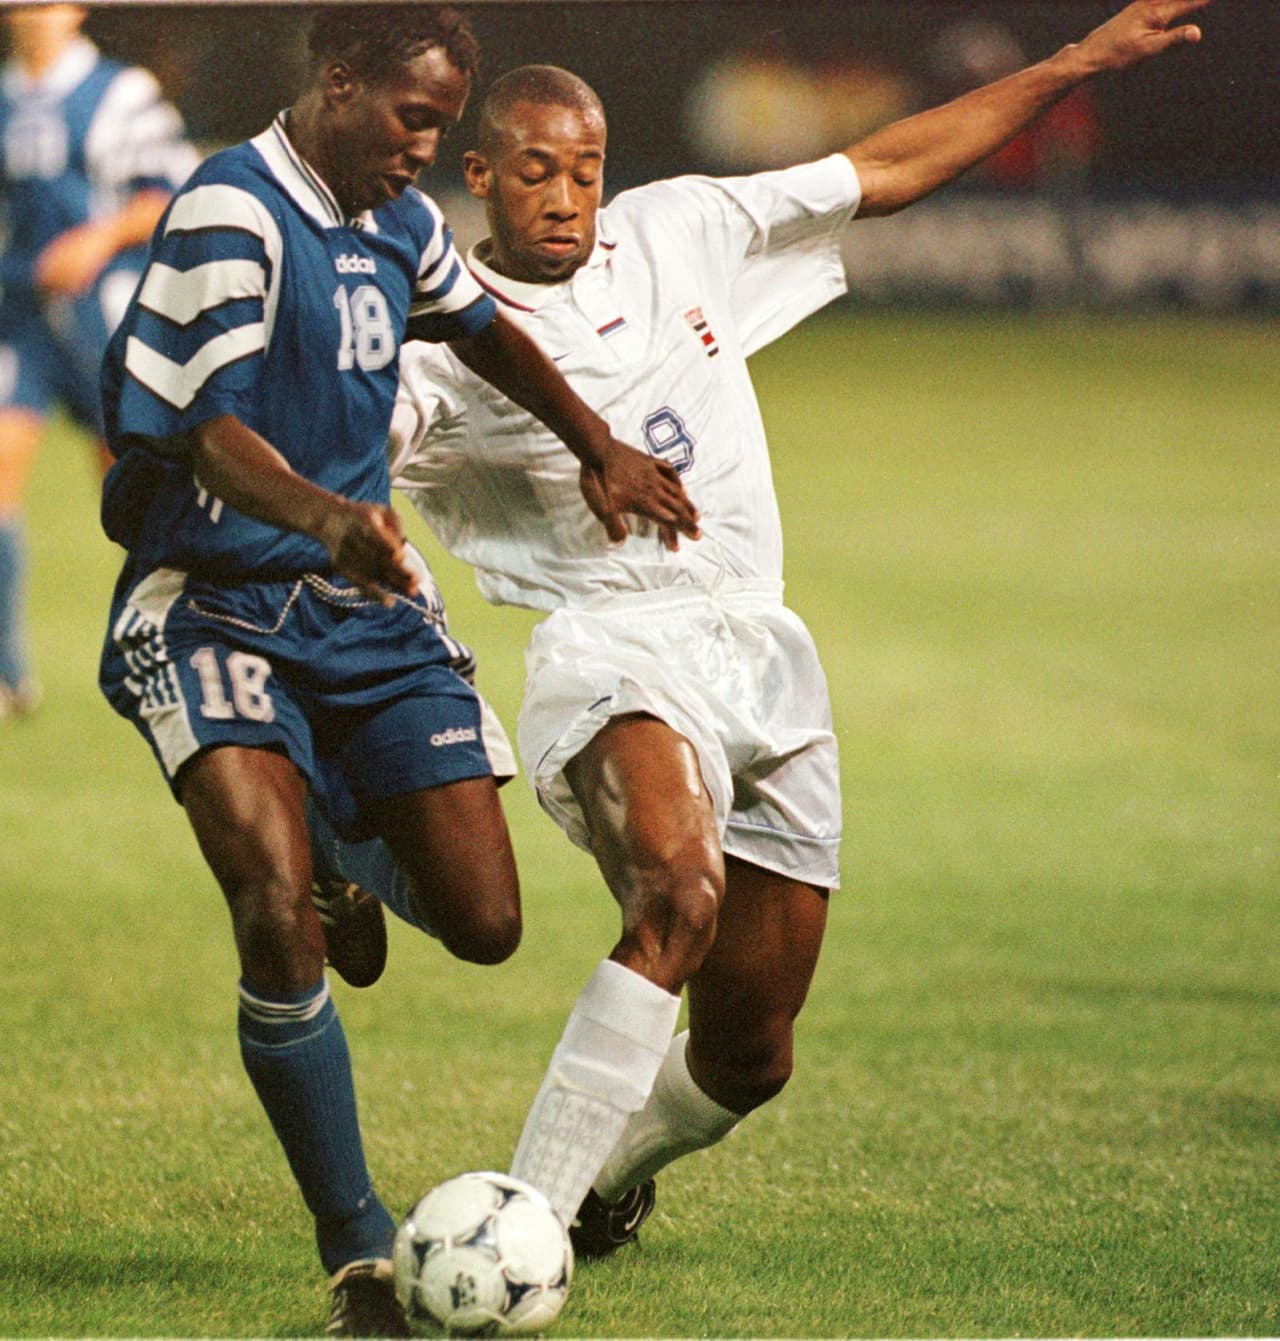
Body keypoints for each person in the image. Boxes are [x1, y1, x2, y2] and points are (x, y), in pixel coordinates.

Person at [322, 0, 1212, 1261]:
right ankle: (515, 1228)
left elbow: (886, 167)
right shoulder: (444, 344)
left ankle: (606, 1175)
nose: (566, 196)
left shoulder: (680, 228)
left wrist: (1073, 64)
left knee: (748, 1056)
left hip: (761, 655)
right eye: (533, 171)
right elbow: (350, 469)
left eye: (583, 168)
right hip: (609, 644)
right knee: (676, 896)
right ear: (479, 176)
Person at [96, 5, 697, 1335]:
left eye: (441, 124)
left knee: (484, 919)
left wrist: (594, 440)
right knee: (264, 899)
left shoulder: (397, 220)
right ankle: (360, 1252)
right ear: (340, 84)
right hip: (215, 606)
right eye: (415, 119)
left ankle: (344, 868)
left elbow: (481, 330)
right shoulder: (232, 213)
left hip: (362, 611)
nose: (426, 147)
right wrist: (324, 514)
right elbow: (200, 432)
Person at [0, 3, 198, 719]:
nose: (27, 14)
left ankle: (170, 645)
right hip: (21, 318)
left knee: (127, 493)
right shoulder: (4, 94)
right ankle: (7, 673)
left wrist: (97, 239)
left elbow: (172, 189)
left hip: (104, 320)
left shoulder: (121, 92)